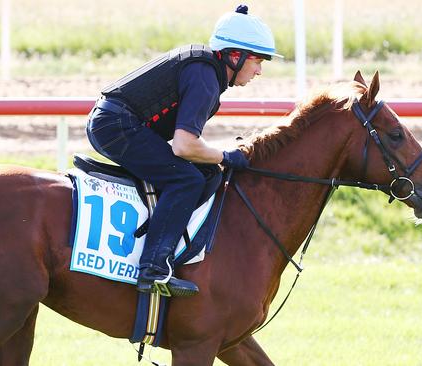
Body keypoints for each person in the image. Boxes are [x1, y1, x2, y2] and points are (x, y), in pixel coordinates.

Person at [86, 4, 282, 297]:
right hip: (116, 126)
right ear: (234, 55)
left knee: (207, 174)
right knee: (186, 179)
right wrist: (227, 156)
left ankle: (167, 240)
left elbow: (186, 148)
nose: (260, 70)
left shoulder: (207, 72)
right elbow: (184, 145)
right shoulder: (205, 77)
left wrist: (217, 160)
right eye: (257, 60)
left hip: (116, 123)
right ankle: (152, 268)